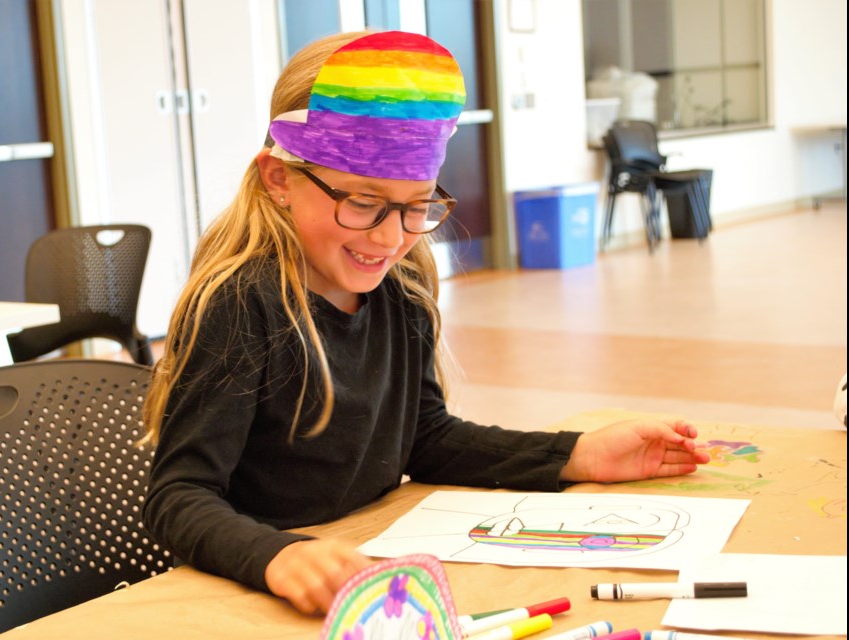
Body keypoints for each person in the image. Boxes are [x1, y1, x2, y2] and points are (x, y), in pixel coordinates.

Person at [141, 30, 710, 616]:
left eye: (417, 206)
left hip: (368, 569)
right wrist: (277, 556)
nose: (390, 238)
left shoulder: (402, 287)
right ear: (280, 178)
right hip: (252, 595)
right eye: (362, 203)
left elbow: (426, 438)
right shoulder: (239, 302)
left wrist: (578, 454)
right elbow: (179, 497)